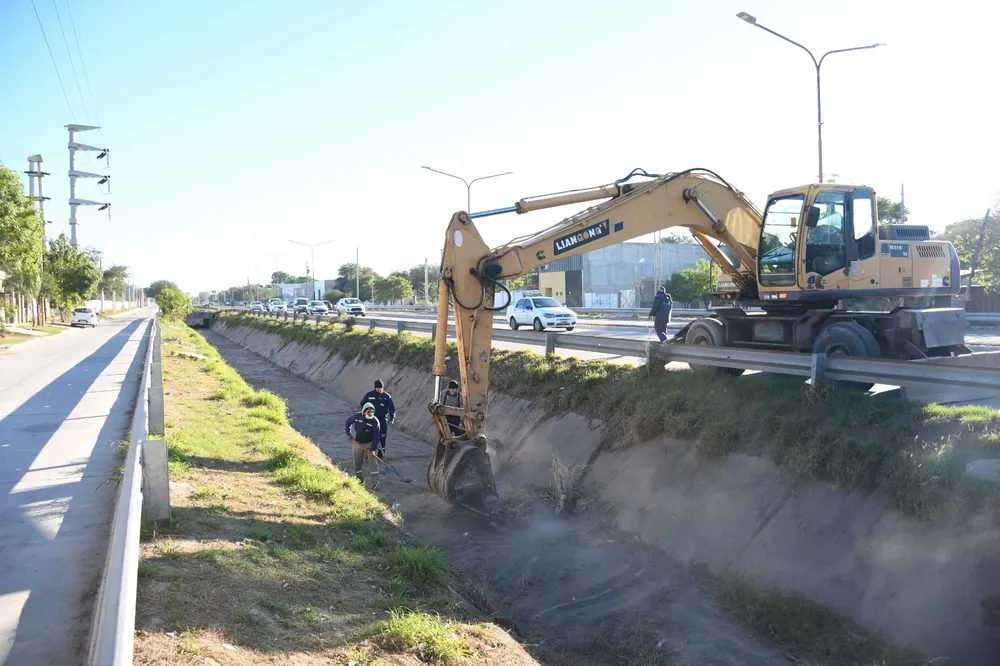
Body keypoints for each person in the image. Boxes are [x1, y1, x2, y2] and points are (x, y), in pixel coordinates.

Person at [345, 402, 381, 489]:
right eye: (369, 412)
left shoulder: (375, 421)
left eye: (372, 412)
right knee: (357, 463)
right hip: (357, 443)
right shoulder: (357, 417)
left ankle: (375, 484)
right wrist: (348, 434)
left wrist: (373, 449)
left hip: (370, 444)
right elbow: (348, 422)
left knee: (373, 464)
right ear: (364, 412)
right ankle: (360, 482)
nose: (371, 413)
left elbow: (377, 437)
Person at [360, 379, 395, 460]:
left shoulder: (387, 397)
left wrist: (392, 418)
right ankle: (368, 454)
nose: (380, 390)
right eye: (378, 388)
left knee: (382, 438)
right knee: (369, 437)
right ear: (375, 388)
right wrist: (364, 415)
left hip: (382, 421)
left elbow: (392, 408)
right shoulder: (369, 395)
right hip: (371, 420)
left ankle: (381, 455)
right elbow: (362, 405)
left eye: (381, 388)